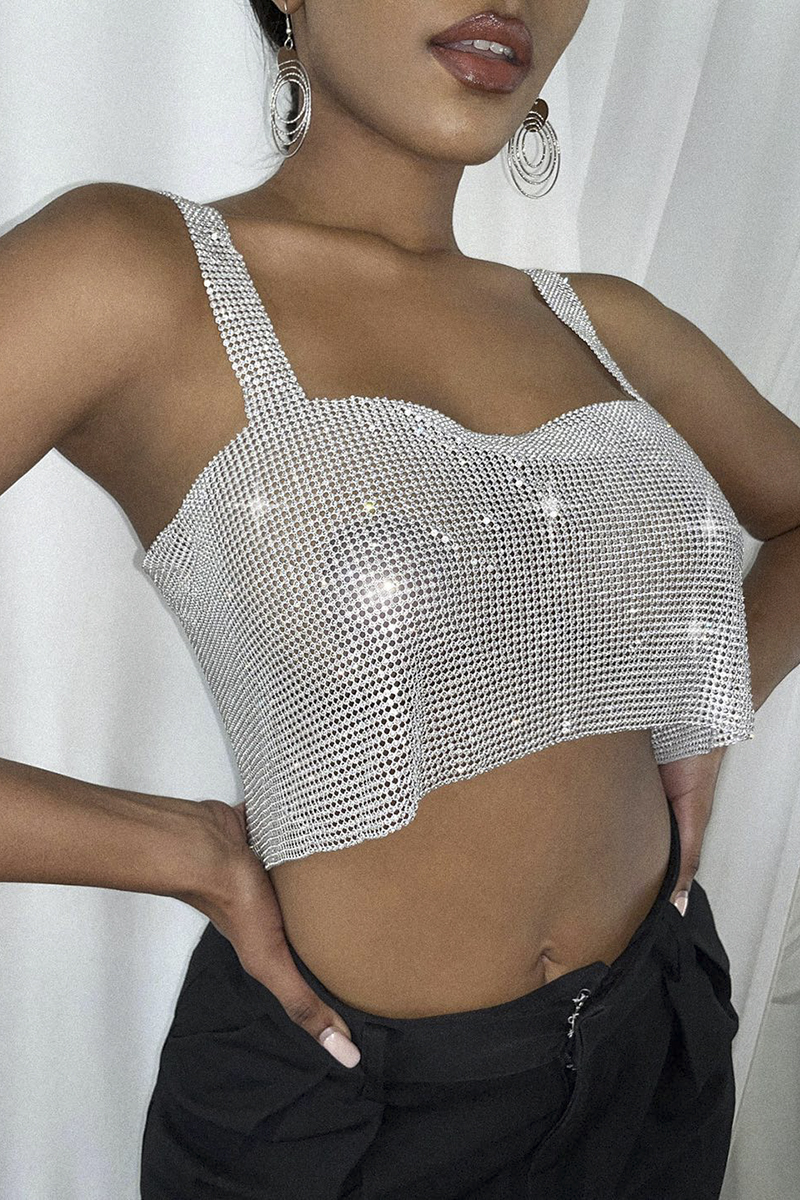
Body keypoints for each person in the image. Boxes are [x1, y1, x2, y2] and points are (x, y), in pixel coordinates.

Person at [2, 1, 799, 1197]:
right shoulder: (131, 270)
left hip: (653, 1041)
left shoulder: (601, 322)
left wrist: (712, 692)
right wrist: (180, 850)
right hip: (347, 1116)